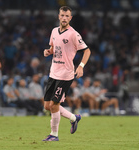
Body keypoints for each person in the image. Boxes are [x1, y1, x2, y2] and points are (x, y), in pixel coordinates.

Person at [43, 6, 91, 141]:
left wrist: (81, 66)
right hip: (53, 72)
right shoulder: (54, 31)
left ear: (70, 18)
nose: (64, 18)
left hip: (65, 75)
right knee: (47, 106)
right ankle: (74, 118)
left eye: (67, 16)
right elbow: (53, 48)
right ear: (59, 16)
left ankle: (54, 135)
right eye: (62, 15)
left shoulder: (73, 34)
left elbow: (87, 51)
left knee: (54, 105)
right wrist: (48, 51)